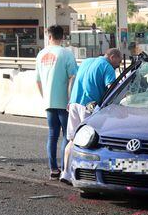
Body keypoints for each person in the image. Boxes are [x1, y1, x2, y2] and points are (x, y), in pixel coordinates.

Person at [61, 48, 122, 182]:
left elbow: (75, 80)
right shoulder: (107, 67)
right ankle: (85, 175)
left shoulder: (86, 61)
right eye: (118, 62)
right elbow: (112, 88)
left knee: (72, 140)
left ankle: (65, 173)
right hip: (89, 106)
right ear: (112, 57)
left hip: (74, 103)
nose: (118, 66)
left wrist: (70, 100)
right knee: (88, 142)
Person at [36, 25, 77, 180]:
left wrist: (45, 97)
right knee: (67, 135)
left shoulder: (41, 54)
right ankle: (65, 169)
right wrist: (70, 99)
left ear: (49, 36)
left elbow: (38, 81)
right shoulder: (66, 54)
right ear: (63, 37)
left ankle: (53, 169)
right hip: (64, 102)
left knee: (52, 134)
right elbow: (73, 77)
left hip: (49, 101)